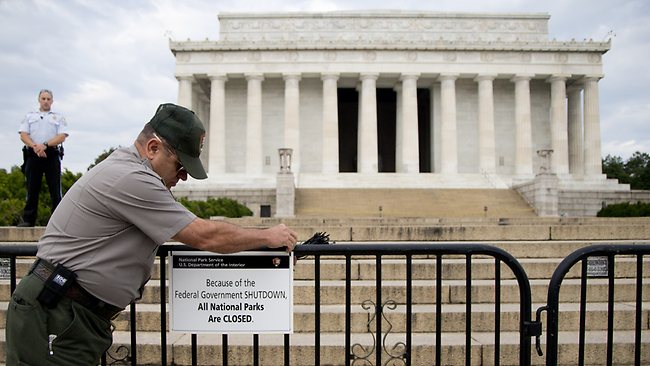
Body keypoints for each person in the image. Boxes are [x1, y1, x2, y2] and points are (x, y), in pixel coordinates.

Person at [5, 103, 299, 365]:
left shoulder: (132, 172)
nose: (183, 176)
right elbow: (203, 235)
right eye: (181, 165)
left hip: (70, 311)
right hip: (57, 310)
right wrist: (267, 236)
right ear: (153, 148)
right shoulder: (132, 178)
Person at [17, 89, 69, 227]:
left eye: (48, 99)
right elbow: (23, 134)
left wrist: (45, 146)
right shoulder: (29, 116)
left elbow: (62, 136)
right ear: (39, 100)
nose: (46, 101)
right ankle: (29, 220)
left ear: (52, 101)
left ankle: (57, 222)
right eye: (43, 98)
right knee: (32, 188)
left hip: (51, 154)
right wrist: (35, 147)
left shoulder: (58, 117)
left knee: (55, 189)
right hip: (33, 155)